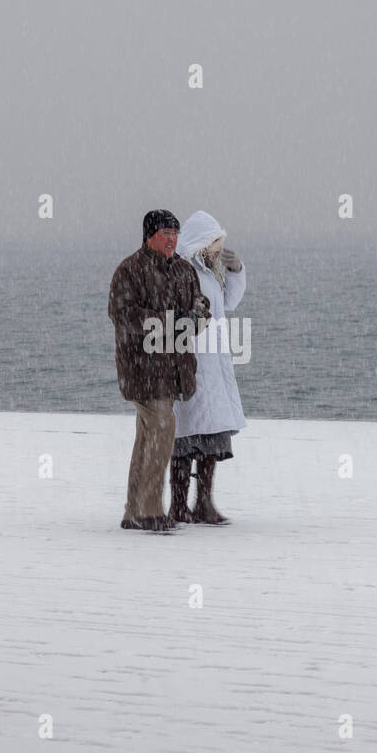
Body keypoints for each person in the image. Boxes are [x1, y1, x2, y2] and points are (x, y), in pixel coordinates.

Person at [108, 210, 210, 533]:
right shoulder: (129, 270)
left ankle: (133, 510)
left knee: (148, 437)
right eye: (166, 233)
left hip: (173, 369)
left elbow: (201, 305)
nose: (172, 239)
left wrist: (195, 318)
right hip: (142, 369)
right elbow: (123, 314)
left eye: (175, 233)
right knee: (163, 429)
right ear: (149, 235)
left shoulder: (183, 270)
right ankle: (150, 511)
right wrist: (171, 321)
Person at [170, 211, 247, 525]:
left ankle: (203, 503)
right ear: (201, 242)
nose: (219, 249)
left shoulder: (210, 271)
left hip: (214, 363)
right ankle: (178, 505)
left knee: (211, 437)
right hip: (193, 361)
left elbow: (229, 303)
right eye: (215, 242)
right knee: (186, 438)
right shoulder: (182, 271)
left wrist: (236, 270)